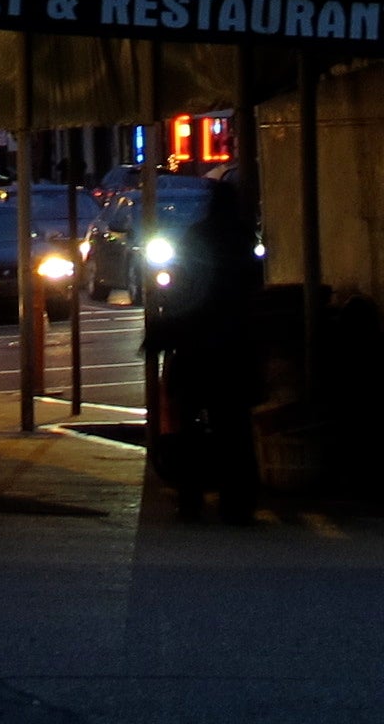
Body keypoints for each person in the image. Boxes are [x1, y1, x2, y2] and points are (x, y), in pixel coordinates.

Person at [144, 185, 265, 522]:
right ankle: (237, 502)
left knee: (189, 427)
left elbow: (180, 288)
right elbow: (253, 285)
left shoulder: (196, 237)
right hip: (234, 349)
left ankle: (191, 497)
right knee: (234, 428)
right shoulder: (243, 239)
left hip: (196, 350)